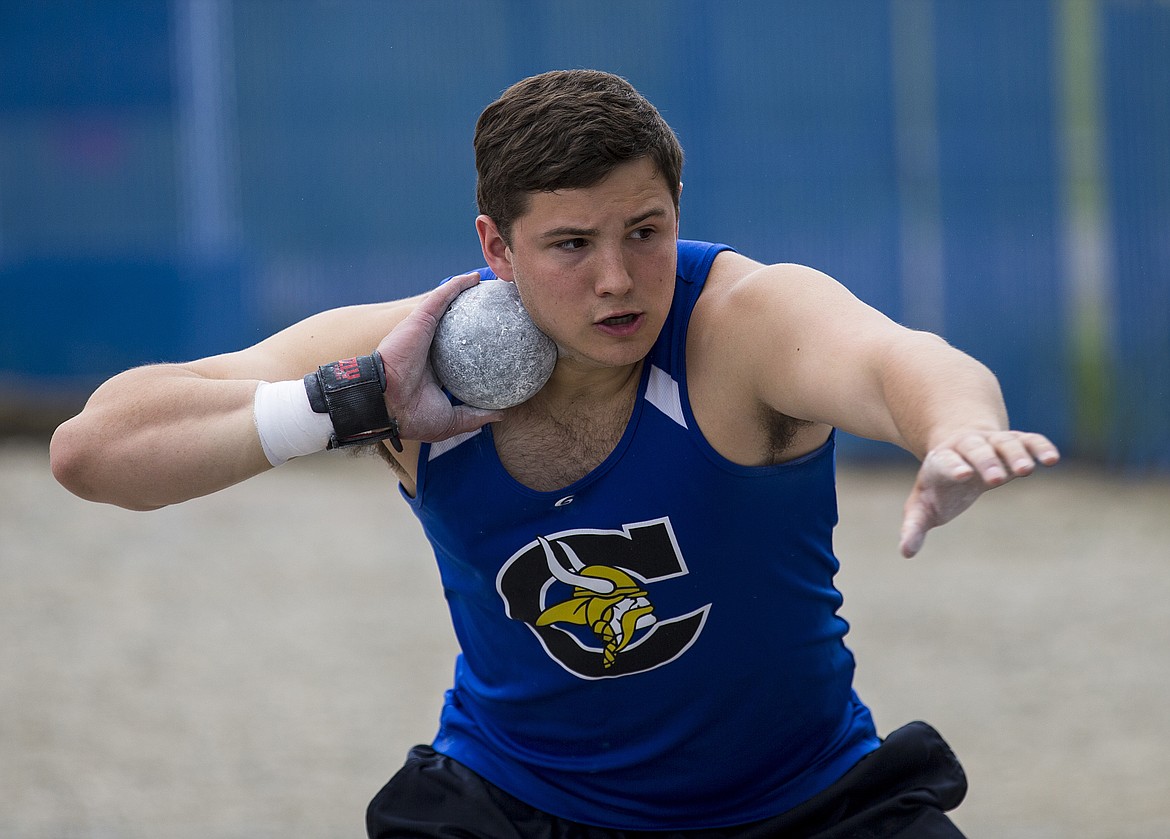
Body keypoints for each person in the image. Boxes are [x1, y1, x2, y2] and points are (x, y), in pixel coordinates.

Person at [50, 69, 1060, 837]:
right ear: (496, 248)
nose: (619, 279)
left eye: (645, 230)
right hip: (516, 802)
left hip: (802, 801)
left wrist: (957, 427)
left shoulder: (740, 323)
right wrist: (342, 404)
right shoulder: (403, 361)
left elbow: (899, 360)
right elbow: (95, 449)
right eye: (572, 244)